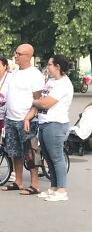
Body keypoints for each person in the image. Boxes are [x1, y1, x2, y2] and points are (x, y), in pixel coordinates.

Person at [1, 44, 45, 196]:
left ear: (28, 56)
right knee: (15, 152)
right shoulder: (14, 73)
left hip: (26, 120)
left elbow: (38, 100)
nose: (16, 56)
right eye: (16, 53)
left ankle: (34, 184)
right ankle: (18, 181)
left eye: (19, 54)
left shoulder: (35, 75)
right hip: (11, 118)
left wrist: (29, 117)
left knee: (31, 151)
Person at [32, 55, 74, 201]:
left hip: (56, 123)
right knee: (48, 158)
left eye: (49, 64)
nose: (47, 67)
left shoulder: (63, 84)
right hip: (44, 122)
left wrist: (34, 101)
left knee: (57, 158)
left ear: (58, 67)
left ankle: (62, 190)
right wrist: (39, 101)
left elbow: (46, 103)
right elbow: (42, 100)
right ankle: (54, 187)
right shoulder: (51, 81)